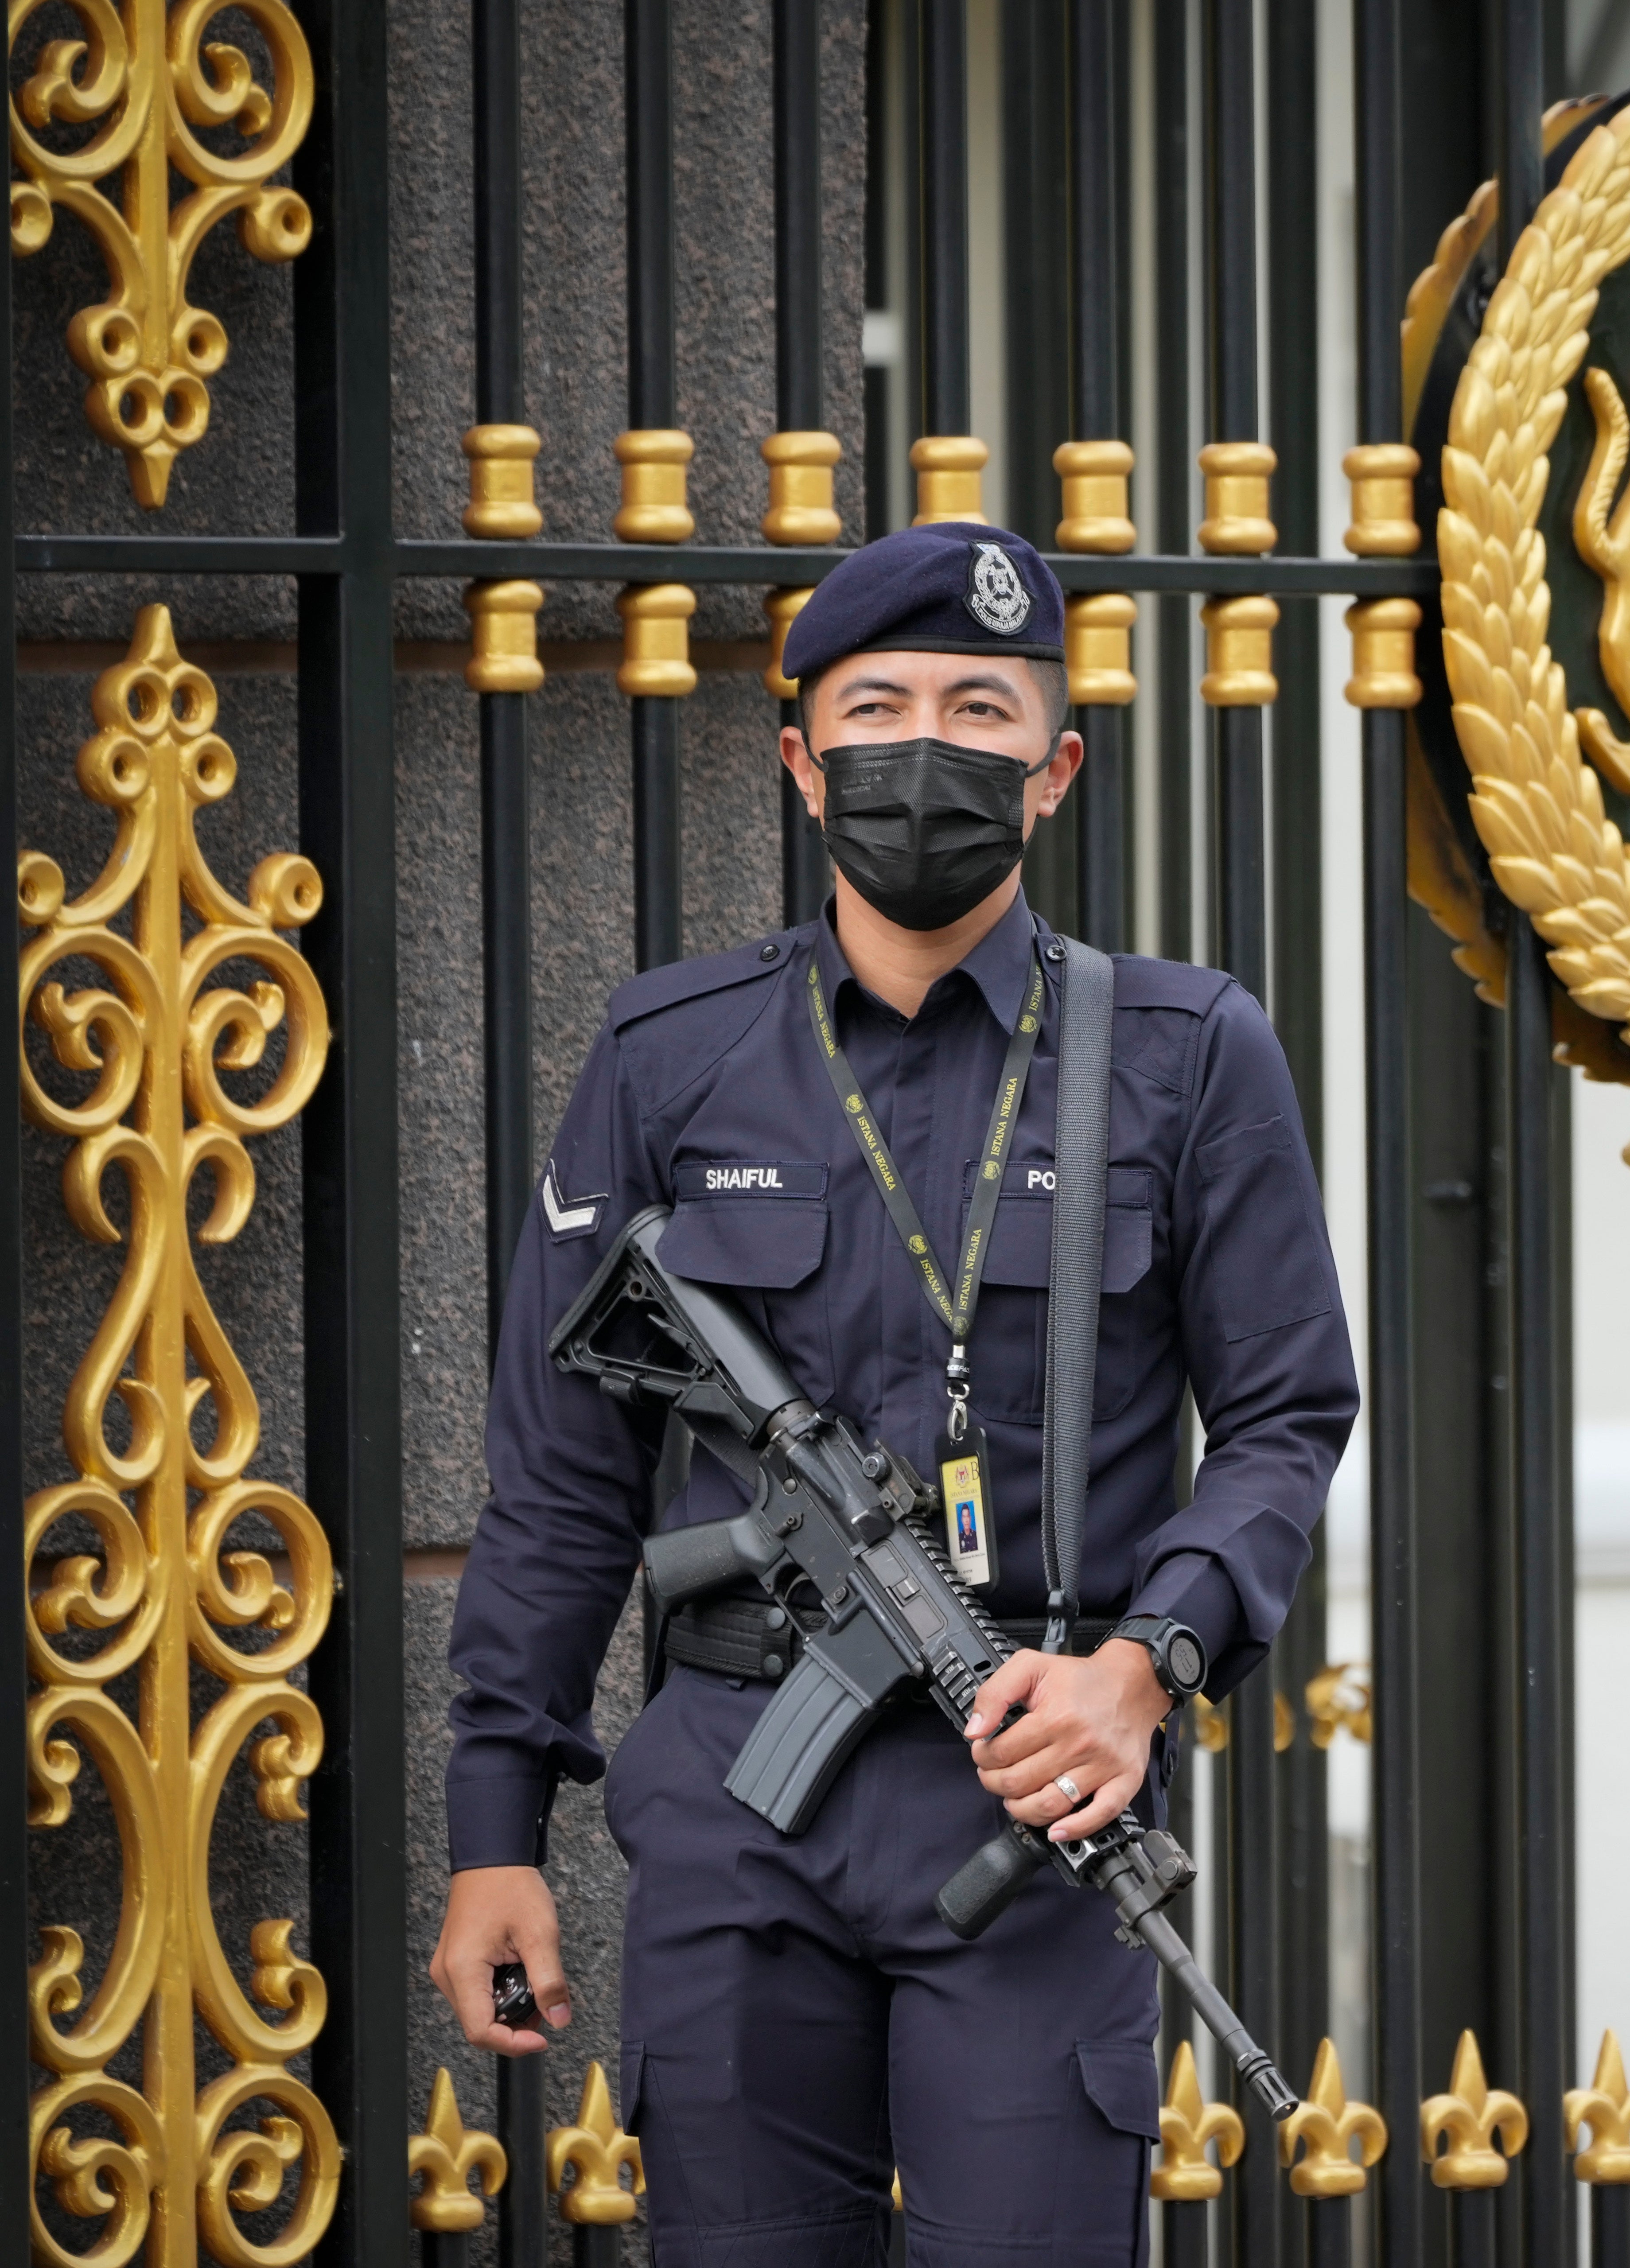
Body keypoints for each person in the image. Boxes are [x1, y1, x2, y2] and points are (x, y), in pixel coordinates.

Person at [429, 521, 1356, 2266]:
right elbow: (562, 1478)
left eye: (979, 708)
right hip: (733, 1802)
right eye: (879, 704)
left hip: (1033, 1783)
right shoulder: (669, 1052)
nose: (926, 746)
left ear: (1056, 765)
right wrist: (498, 1830)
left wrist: (1142, 1670)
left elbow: (1290, 1412)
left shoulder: (1183, 1052)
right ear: (801, 756)